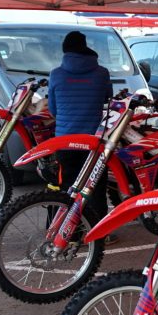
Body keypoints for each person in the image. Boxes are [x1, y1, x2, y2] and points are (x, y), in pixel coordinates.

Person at [47, 31, 115, 242]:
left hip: (65, 142)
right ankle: (100, 234)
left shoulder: (56, 74)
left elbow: (53, 110)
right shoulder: (101, 73)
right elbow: (108, 98)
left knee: (68, 187)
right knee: (96, 188)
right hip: (93, 143)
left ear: (65, 50)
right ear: (85, 47)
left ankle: (71, 233)